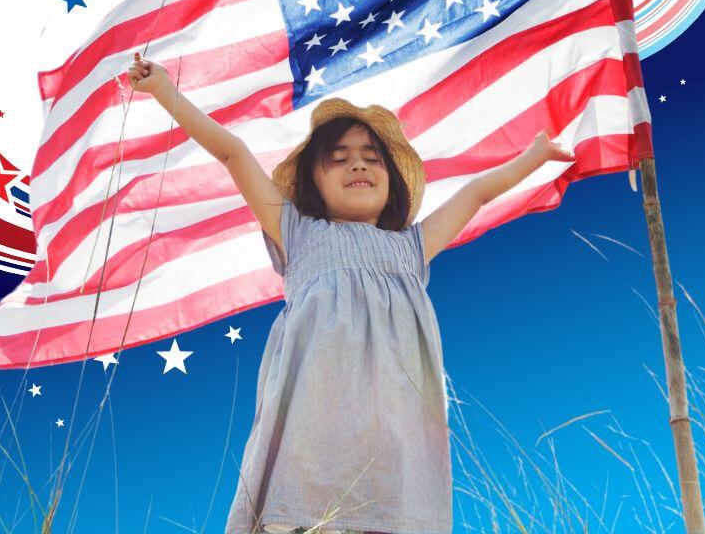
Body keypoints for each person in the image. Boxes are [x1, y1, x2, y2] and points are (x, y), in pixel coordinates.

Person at [126, 51, 575, 534]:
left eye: (370, 159)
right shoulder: (297, 232)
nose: (357, 166)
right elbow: (234, 153)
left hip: (394, 424)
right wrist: (167, 94)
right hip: (315, 414)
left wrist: (532, 157)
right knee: (304, 503)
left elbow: (476, 195)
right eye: (337, 159)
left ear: (392, 182)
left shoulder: (412, 247)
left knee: (393, 503)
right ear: (311, 182)